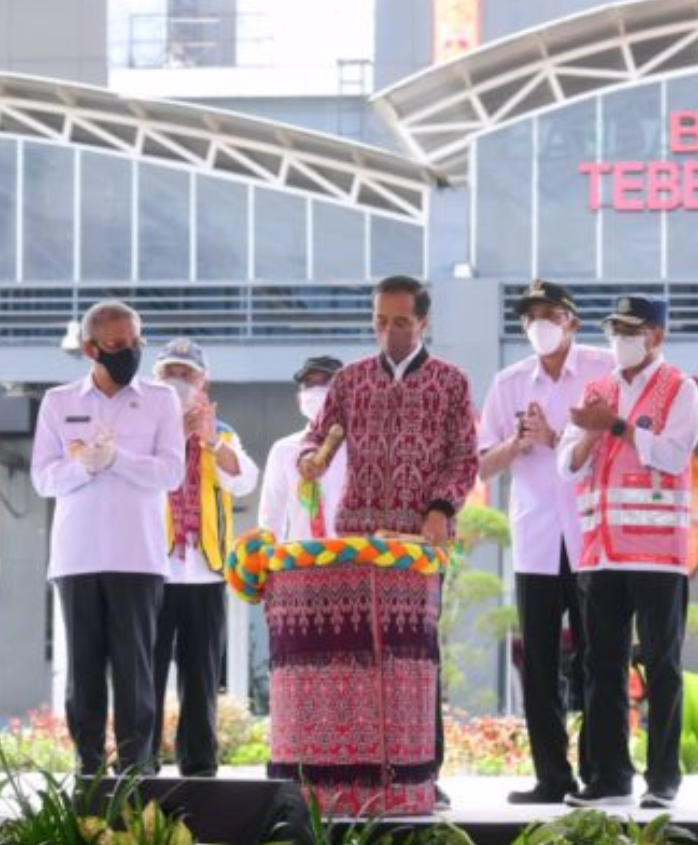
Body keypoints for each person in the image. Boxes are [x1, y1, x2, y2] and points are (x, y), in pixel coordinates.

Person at [300, 275, 478, 810]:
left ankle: (423, 774)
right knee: (357, 658)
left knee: (416, 659)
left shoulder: (451, 382)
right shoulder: (350, 381)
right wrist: (308, 459)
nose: (390, 332)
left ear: (424, 322)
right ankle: (358, 775)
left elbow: (464, 457)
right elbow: (318, 438)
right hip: (354, 539)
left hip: (417, 543)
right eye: (381, 321)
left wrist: (441, 508)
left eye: (401, 321)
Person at [556, 294, 698, 810]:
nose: (620, 339)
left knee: (661, 665)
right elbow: (565, 465)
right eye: (614, 329)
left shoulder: (679, 389)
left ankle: (663, 779)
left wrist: (616, 427)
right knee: (602, 666)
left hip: (657, 555)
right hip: (601, 554)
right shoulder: (595, 389)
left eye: (631, 329)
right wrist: (591, 436)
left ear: (656, 336)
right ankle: (611, 776)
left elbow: (674, 454)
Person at [31, 300, 184, 775]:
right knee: (84, 674)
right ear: (90, 348)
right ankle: (89, 769)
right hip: (77, 557)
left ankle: (137, 771)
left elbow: (172, 472)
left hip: (138, 556)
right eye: (117, 346)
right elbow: (42, 478)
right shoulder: (60, 402)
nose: (129, 353)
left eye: (136, 343)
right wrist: (82, 467)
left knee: (136, 672)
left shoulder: (161, 399)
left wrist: (118, 460)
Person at [478, 279, 613, 804]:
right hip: (535, 537)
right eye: (530, 317)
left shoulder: (603, 370)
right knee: (538, 663)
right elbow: (480, 462)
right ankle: (552, 778)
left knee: (597, 659)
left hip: (591, 537)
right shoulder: (510, 382)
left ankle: (601, 774)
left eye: (550, 314)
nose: (540, 325)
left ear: (572, 321)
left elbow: (618, 445)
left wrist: (557, 439)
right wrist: (519, 442)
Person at [150, 338, 260, 777]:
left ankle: (197, 762)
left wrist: (211, 440)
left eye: (186, 374)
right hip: (152, 570)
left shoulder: (224, 432)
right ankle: (139, 758)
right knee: (146, 673)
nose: (178, 382)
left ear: (203, 381)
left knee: (200, 676)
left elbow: (242, 481)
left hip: (205, 571)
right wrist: (174, 432)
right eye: (169, 374)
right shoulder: (144, 429)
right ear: (154, 381)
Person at [258, 355, 347, 541]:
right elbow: (271, 517)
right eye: (309, 385)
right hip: (301, 560)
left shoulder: (362, 446)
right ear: (299, 399)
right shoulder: (283, 450)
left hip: (354, 560)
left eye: (325, 383)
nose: (316, 391)